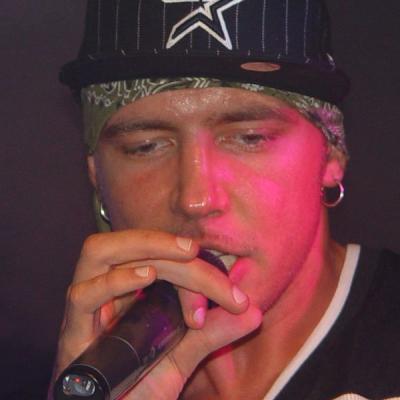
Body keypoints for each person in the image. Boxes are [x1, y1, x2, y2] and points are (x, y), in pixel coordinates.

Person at [49, 0, 400, 399]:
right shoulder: (86, 372)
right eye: (145, 146)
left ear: (331, 155)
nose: (196, 199)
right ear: (97, 175)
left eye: (249, 138)